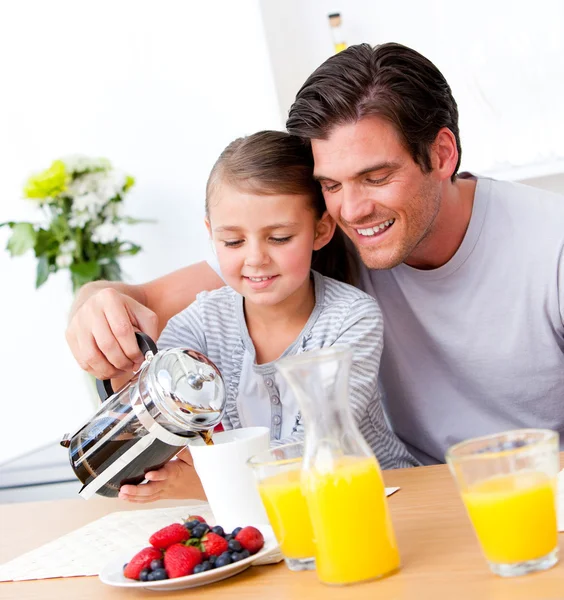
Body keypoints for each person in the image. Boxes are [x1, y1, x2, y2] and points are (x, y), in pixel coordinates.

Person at [67, 42, 564, 468]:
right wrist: (93, 307)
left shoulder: (550, 245)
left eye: (376, 177)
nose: (353, 209)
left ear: (441, 154)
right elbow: (133, 297)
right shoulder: (320, 236)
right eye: (330, 184)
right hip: (407, 495)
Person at [115, 130, 417, 502]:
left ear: (320, 230)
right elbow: (150, 400)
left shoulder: (351, 319)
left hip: (382, 496)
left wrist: (212, 485)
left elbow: (321, 446)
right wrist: (120, 364)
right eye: (233, 242)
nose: (255, 258)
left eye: (279, 238)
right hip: (271, 512)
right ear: (211, 234)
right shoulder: (202, 323)